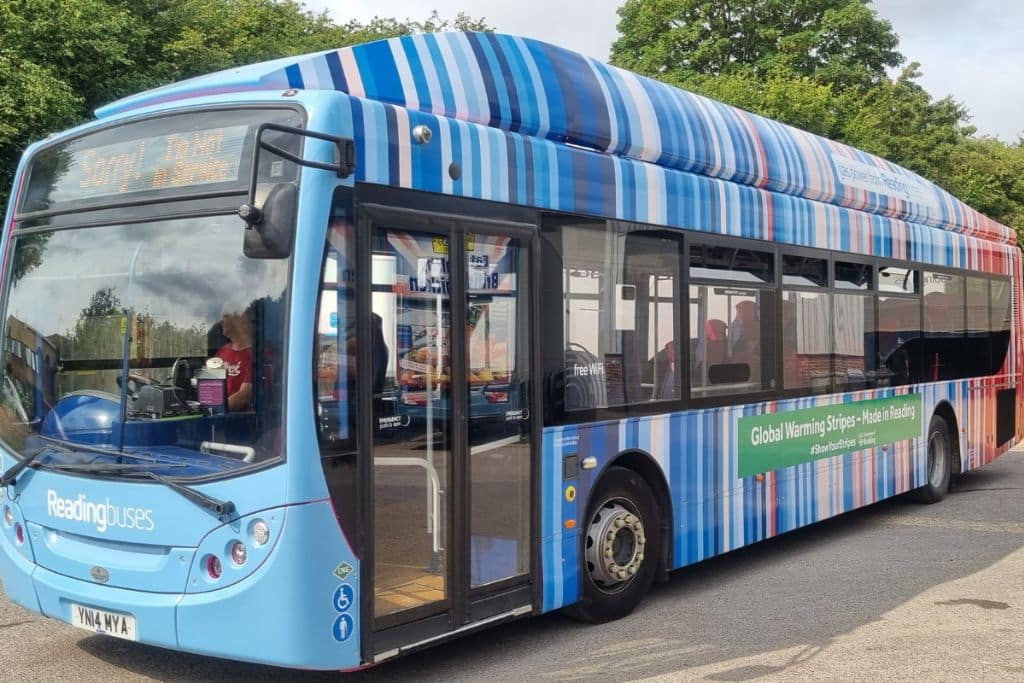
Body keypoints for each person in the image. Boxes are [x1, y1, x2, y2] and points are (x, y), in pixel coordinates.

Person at [217, 304, 254, 410]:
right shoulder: (222, 351)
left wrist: (217, 412)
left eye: (225, 316)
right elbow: (210, 385)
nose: (220, 321)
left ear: (239, 317)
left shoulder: (259, 353)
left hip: (240, 420)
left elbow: (244, 396)